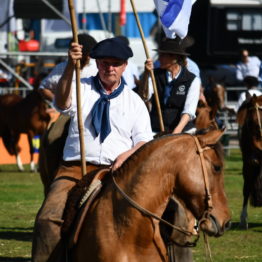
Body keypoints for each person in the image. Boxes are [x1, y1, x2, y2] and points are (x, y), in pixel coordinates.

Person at [32, 37, 153, 262]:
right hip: (74, 170)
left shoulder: (135, 102)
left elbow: (144, 141)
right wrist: (70, 66)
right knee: (47, 220)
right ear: (97, 64)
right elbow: (61, 102)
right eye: (105, 62)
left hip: (116, 174)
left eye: (116, 63)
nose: (110, 68)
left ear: (125, 66)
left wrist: (125, 156)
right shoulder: (81, 87)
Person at [139, 37, 201, 134]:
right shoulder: (154, 75)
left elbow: (189, 110)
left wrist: (176, 132)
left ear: (174, 58)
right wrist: (146, 74)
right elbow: (144, 96)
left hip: (182, 131)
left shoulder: (192, 80)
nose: (159, 59)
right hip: (156, 130)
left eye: (162, 55)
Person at [39, 33, 98, 101]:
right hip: (68, 110)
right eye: (86, 53)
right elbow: (43, 88)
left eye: (90, 53)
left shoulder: (96, 68)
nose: (88, 57)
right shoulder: (61, 68)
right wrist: (59, 103)